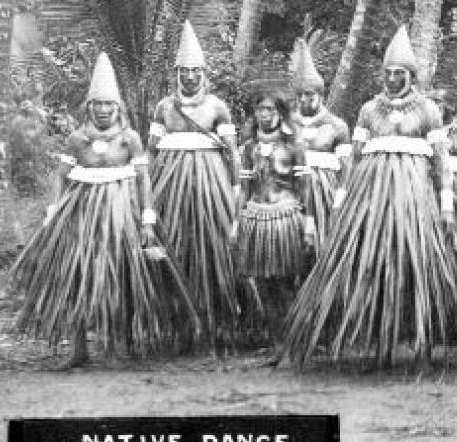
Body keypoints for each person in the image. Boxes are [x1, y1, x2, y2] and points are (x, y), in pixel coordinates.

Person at [280, 26, 457, 369]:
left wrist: (448, 205)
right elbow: (355, 159)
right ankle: (378, 344)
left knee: (420, 266)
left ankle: (422, 341)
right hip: (372, 197)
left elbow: (440, 161)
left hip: (416, 199)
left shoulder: (428, 111)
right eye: (388, 73)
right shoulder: (367, 110)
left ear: (411, 76)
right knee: (371, 264)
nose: (392, 79)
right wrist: (341, 200)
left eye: (399, 74)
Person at [11, 53, 195, 368]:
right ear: (89, 107)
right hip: (81, 215)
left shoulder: (130, 139)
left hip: (121, 214)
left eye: (109, 105)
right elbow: (61, 177)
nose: (104, 110)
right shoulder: (76, 140)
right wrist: (55, 212)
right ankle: (79, 349)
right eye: (98, 104)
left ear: (118, 107)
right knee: (75, 274)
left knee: (123, 275)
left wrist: (147, 218)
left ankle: (117, 345)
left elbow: (143, 179)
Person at [147, 21, 239, 351]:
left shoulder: (217, 107)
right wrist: (147, 194)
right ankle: (178, 326)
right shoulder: (164, 108)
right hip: (169, 185)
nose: (189, 77)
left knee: (213, 249)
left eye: (195, 71)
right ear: (177, 73)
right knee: (174, 248)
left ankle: (217, 325)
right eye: (184, 71)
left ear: (204, 72)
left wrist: (235, 190)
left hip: (210, 186)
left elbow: (232, 154)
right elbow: (151, 152)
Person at [234, 90, 315, 347]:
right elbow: (244, 189)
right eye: (260, 110)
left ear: (280, 113)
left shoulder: (294, 146)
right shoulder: (249, 148)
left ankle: (296, 343)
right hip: (256, 219)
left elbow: (304, 186)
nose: (265, 115)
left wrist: (309, 223)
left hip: (286, 217)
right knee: (262, 284)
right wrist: (236, 223)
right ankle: (278, 343)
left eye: (270, 110)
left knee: (285, 282)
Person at [289, 34, 351, 248]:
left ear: (320, 95)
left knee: (321, 244)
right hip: (290, 192)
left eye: (309, 95)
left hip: (325, 193)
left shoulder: (337, 126)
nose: (303, 100)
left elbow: (346, 168)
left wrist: (340, 199)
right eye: (299, 96)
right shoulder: (287, 124)